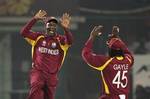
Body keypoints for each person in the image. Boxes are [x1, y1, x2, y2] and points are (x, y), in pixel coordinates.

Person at [20, 10, 73, 99]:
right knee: (36, 92)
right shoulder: (38, 37)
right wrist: (34, 19)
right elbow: (23, 32)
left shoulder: (61, 40)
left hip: (52, 75)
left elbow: (70, 41)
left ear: (56, 27)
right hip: (38, 72)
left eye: (54, 25)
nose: (52, 27)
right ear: (46, 26)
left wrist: (66, 29)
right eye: (50, 25)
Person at [82, 25, 134, 99]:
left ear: (111, 50)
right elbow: (128, 53)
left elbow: (86, 54)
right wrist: (117, 39)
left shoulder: (107, 62)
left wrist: (92, 37)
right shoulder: (128, 60)